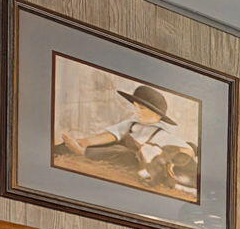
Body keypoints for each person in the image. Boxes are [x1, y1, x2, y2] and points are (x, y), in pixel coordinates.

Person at [56, 82, 198, 195]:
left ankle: (82, 153)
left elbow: (188, 149)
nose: (137, 112)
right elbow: (112, 134)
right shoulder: (132, 123)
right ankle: (64, 149)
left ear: (157, 115)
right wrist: (85, 142)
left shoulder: (162, 133)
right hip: (121, 147)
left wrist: (173, 162)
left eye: (142, 109)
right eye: (136, 107)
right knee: (108, 145)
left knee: (121, 152)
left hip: (138, 161)